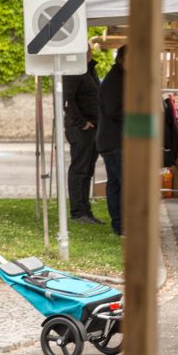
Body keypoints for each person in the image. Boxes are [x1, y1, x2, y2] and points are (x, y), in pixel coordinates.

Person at [63, 46, 102, 224]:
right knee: (80, 169)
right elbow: (67, 100)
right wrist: (81, 122)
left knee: (87, 170)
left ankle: (86, 211)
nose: (89, 53)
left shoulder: (89, 70)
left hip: (93, 127)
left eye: (88, 50)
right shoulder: (73, 72)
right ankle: (78, 212)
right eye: (84, 50)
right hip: (81, 129)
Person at [97, 46, 126, 236]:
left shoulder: (119, 77)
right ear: (123, 60)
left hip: (113, 140)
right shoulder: (116, 79)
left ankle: (120, 225)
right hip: (114, 141)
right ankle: (122, 225)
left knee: (116, 183)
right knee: (123, 183)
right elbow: (114, 109)